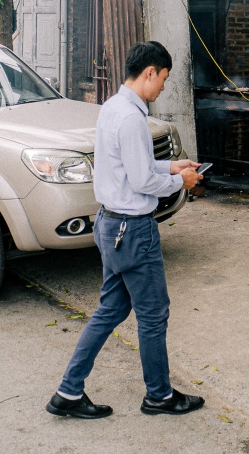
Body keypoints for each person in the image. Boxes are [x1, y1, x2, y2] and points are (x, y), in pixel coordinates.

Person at [48, 40, 203, 420]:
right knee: (153, 315)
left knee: (111, 309)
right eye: (163, 79)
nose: (163, 86)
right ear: (149, 72)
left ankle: (68, 391)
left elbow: (131, 165)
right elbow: (139, 180)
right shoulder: (133, 117)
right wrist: (180, 183)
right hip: (133, 231)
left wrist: (171, 165)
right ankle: (159, 396)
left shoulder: (113, 108)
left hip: (110, 225)